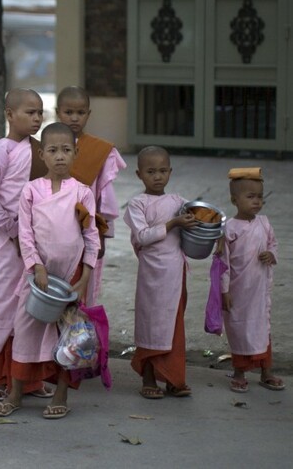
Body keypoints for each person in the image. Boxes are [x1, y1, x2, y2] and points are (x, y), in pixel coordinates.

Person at [0, 122, 100, 420]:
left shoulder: (82, 192)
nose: (60, 157)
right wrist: (35, 265)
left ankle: (61, 393)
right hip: (37, 278)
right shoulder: (30, 190)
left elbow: (92, 237)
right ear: (41, 154)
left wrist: (85, 279)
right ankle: (14, 393)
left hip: (71, 277)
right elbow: (25, 234)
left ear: (76, 153)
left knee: (68, 338)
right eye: (52, 150)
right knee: (24, 330)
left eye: (66, 150)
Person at [0, 88, 51, 402]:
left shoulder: (41, 151)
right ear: (9, 114)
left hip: (34, 242)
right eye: (30, 112)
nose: (37, 118)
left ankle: (27, 381)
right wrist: (12, 230)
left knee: (30, 310)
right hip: (4, 244)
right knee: (0, 308)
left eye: (40, 112)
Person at [123, 146, 196, 399]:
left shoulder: (178, 202)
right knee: (151, 322)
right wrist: (174, 223)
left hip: (175, 272)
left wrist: (216, 231)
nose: (157, 176)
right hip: (151, 275)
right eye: (151, 171)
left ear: (170, 172)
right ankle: (149, 378)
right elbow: (142, 236)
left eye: (163, 171)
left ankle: (174, 380)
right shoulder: (137, 203)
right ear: (139, 174)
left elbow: (201, 217)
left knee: (172, 325)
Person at [56, 86, 127, 304]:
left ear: (89, 114)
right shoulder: (47, 146)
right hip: (54, 228)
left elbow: (105, 200)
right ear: (58, 112)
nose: (74, 118)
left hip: (87, 229)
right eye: (68, 112)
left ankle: (81, 331)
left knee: (84, 287)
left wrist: (103, 237)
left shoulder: (101, 151)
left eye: (80, 112)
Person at [221, 168, 284, 393]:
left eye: (260, 197)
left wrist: (271, 254)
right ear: (234, 200)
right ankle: (239, 372)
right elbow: (222, 263)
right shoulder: (228, 228)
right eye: (250, 197)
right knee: (239, 330)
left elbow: (273, 244)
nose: (257, 201)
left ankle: (266, 372)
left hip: (258, 289)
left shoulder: (264, 223)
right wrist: (224, 291)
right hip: (238, 291)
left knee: (262, 327)